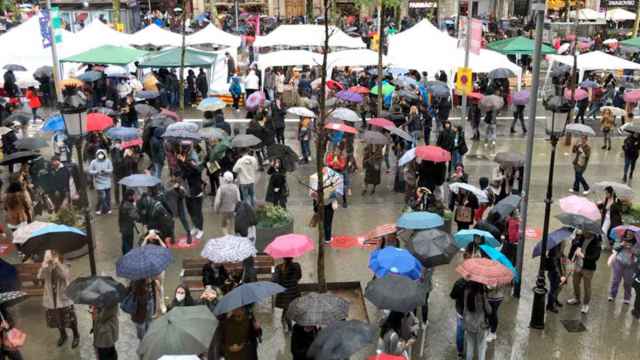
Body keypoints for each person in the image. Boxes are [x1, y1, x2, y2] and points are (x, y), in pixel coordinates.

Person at [38, 250, 79, 348]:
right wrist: (44, 266)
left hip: (63, 297)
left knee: (70, 319)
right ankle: (63, 335)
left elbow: (66, 276)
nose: (52, 255)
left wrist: (58, 263)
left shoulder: (65, 262)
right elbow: (40, 276)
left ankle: (76, 335)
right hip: (51, 298)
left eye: (54, 253)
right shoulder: (46, 263)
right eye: (50, 254)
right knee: (57, 319)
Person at [567, 231, 602, 314]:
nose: (584, 232)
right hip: (578, 265)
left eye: (586, 231)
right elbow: (573, 248)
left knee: (587, 287)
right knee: (575, 283)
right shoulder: (581, 237)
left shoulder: (597, 242)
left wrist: (583, 256)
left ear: (591, 232)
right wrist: (575, 242)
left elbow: (596, 257)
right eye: (584, 230)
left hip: (588, 268)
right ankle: (577, 298)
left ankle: (586, 304)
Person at [608, 231, 639, 304]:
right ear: (625, 233)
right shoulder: (620, 238)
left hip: (630, 265)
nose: (629, 235)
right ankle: (612, 295)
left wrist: (632, 249)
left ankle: (627, 298)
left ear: (634, 234)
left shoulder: (637, 242)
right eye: (628, 234)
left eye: (631, 234)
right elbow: (614, 248)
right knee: (616, 280)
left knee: (628, 282)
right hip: (619, 262)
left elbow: (638, 253)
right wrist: (621, 245)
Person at [272, 257, 302, 333]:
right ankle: (288, 327)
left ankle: (289, 329)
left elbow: (275, 281)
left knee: (286, 311)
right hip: (294, 292)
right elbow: (299, 277)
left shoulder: (279, 267)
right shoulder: (297, 266)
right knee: (288, 310)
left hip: (284, 294)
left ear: (283, 257)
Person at [463, 281, 490, 360]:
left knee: (470, 347)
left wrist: (464, 323)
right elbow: (489, 310)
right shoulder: (482, 295)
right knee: (481, 348)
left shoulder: (466, 292)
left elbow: (464, 309)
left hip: (469, 324)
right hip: (480, 326)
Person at [88, 149, 113, 215]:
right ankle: (104, 208)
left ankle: (107, 208)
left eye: (102, 154)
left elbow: (111, 169)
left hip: (107, 181)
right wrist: (96, 172)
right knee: (102, 196)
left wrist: (106, 171)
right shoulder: (93, 162)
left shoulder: (108, 161)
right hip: (98, 181)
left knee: (107, 197)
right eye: (99, 154)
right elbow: (90, 171)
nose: (101, 155)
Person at [546, 242, 567, 313]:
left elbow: (561, 259)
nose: (564, 246)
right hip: (554, 273)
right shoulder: (554, 253)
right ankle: (550, 305)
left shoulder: (559, 251)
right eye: (564, 245)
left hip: (558, 272)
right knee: (553, 289)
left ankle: (555, 300)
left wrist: (563, 256)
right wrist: (560, 276)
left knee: (558, 288)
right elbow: (555, 265)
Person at [118, 189, 139, 255]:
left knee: (125, 243)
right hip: (128, 228)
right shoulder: (128, 205)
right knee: (128, 244)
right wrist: (135, 207)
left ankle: (125, 255)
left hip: (123, 227)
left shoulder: (123, 202)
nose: (135, 197)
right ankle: (128, 256)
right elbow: (135, 216)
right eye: (134, 195)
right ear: (129, 197)